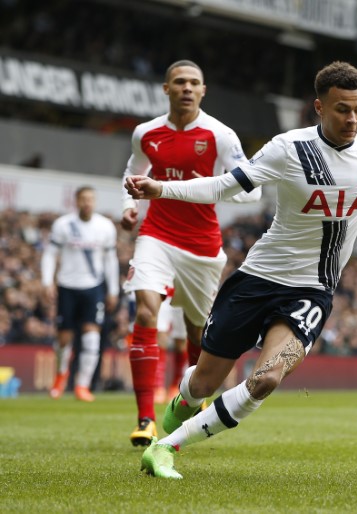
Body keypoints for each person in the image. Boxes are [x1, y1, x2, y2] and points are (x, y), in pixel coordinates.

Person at [126, 61, 357, 479]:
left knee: (267, 378)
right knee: (203, 384)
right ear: (319, 107)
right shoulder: (287, 148)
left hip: (312, 292)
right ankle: (183, 403)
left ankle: (165, 449)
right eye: (342, 109)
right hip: (257, 280)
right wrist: (161, 188)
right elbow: (224, 186)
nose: (352, 119)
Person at [121, 59, 262, 446]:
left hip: (201, 245)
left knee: (196, 330)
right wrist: (128, 205)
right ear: (166, 89)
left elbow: (252, 188)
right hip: (156, 234)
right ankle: (146, 418)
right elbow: (133, 171)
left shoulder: (220, 135)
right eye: (179, 82)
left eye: (194, 83)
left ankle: (189, 401)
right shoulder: (145, 133)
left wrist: (210, 185)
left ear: (203, 91)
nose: (186, 88)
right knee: (147, 311)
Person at [41, 186, 119, 402]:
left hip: (93, 287)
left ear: (95, 202)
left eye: (90, 199)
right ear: (76, 201)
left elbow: (110, 260)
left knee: (92, 337)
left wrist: (112, 290)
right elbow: (50, 254)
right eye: (83, 199)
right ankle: (61, 375)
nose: (87, 203)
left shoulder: (105, 227)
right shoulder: (63, 225)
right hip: (67, 286)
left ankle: (82, 385)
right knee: (64, 338)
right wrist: (48, 282)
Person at [153, 292, 188, 404]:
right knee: (160, 337)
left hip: (182, 293)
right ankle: (159, 387)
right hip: (164, 292)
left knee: (181, 341)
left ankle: (175, 385)